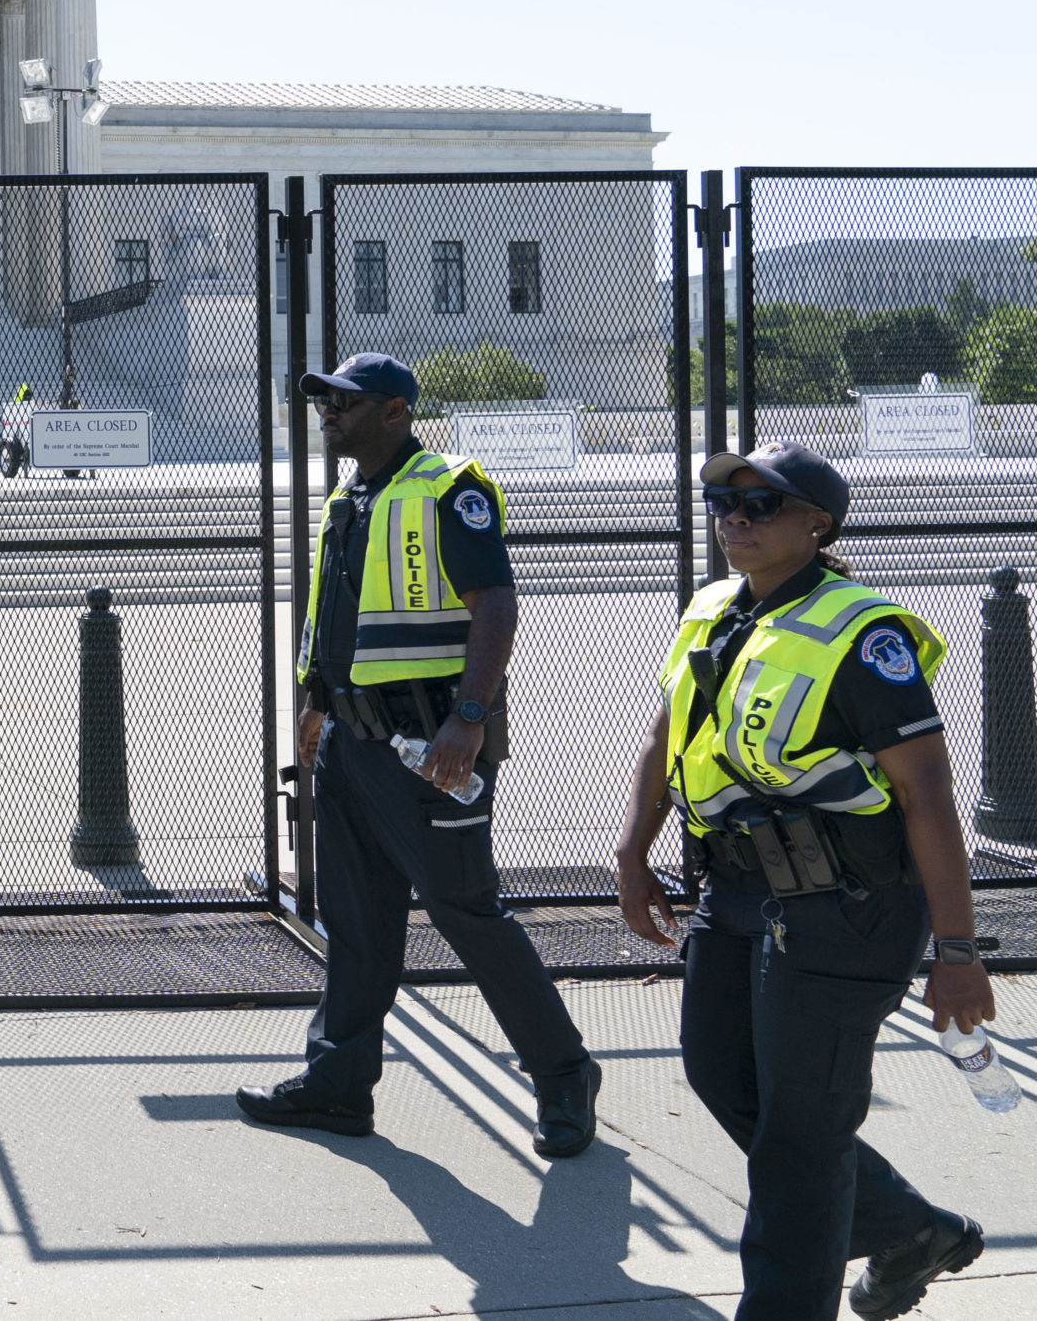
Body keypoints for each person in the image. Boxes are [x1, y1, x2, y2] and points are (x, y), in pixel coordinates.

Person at [614, 443, 993, 1321]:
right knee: (724, 1080)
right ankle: (911, 1228)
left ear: (817, 524)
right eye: (724, 503)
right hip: (738, 893)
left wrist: (959, 948)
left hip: (845, 911)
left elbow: (928, 796)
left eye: (762, 506)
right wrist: (633, 852)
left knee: (799, 1142)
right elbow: (664, 735)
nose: (735, 521)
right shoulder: (711, 611)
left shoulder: (866, 633)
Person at [239, 353, 599, 1158]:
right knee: (356, 921)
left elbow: (497, 604)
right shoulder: (351, 494)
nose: (327, 411)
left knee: (464, 910)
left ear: (397, 409)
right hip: (350, 741)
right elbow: (338, 613)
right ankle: (337, 1085)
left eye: (345, 401)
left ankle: (565, 1072)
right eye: (323, 401)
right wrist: (317, 700)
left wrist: (469, 718)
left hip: (430, 747)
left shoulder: (447, 488)